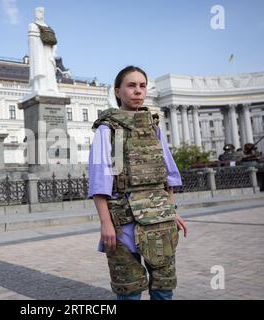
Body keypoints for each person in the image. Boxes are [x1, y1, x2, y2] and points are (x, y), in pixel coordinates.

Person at [88, 66, 188, 300]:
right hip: (124, 222)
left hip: (160, 221)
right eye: (131, 86)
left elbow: (168, 177)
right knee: (129, 290)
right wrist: (106, 224)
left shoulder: (153, 126)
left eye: (142, 86)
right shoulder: (107, 129)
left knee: (164, 288)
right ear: (117, 91)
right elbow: (99, 182)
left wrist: (171, 211)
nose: (138, 91)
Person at [28, 7, 59, 95]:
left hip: (48, 53)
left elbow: (55, 42)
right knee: (40, 69)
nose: (39, 14)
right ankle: (40, 87)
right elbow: (32, 42)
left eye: (41, 12)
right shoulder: (32, 25)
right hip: (39, 53)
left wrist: (53, 54)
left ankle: (51, 87)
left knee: (49, 70)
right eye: (38, 12)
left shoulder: (48, 27)